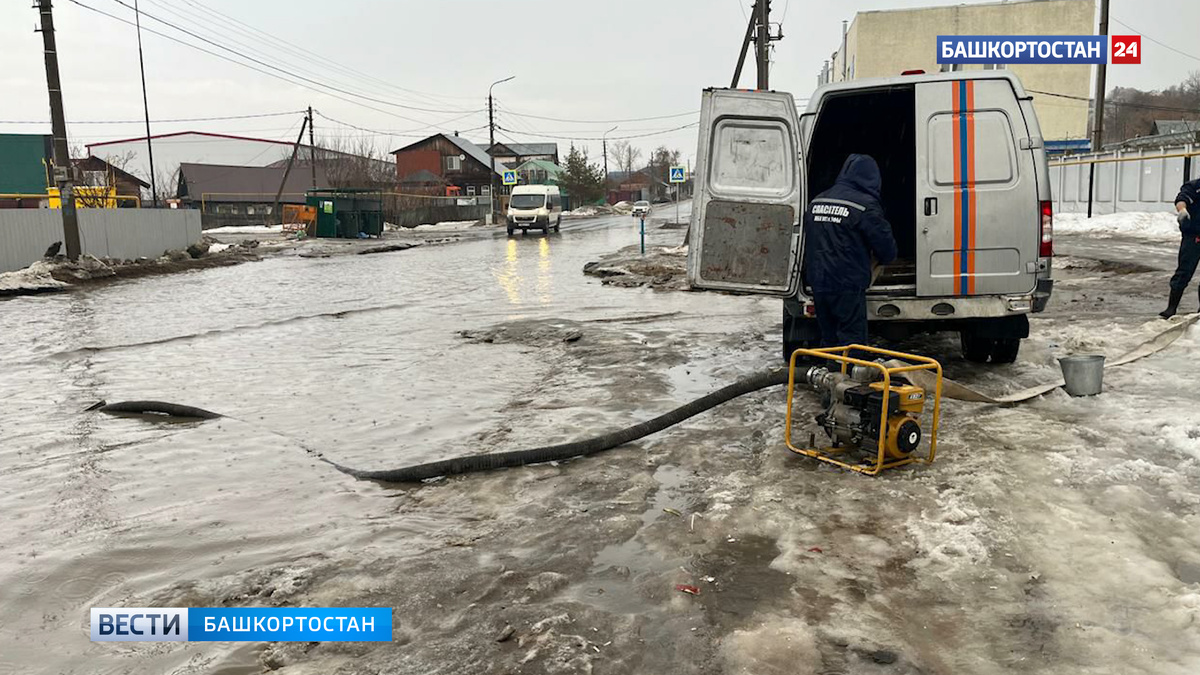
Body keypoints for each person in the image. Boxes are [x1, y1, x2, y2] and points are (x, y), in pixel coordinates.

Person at [802, 154, 898, 347]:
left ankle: (831, 373)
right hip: (846, 283)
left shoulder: (817, 201)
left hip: (818, 280)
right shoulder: (865, 205)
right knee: (852, 339)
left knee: (829, 337)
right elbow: (886, 248)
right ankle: (849, 375)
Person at [1161, 177, 1200, 319]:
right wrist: (1182, 210)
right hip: (1194, 237)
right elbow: (1181, 199)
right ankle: (1171, 308)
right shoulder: (1195, 186)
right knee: (1184, 272)